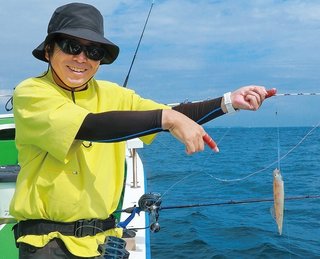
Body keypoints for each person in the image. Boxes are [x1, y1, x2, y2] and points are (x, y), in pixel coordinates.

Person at [9, 3, 275, 259]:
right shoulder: (32, 92)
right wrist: (166, 118)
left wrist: (229, 102)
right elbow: (90, 125)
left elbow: (169, 112)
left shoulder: (114, 94)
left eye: (94, 51)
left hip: (104, 242)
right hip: (47, 244)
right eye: (71, 46)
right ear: (48, 51)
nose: (82, 58)